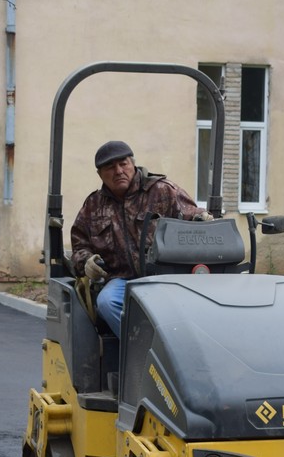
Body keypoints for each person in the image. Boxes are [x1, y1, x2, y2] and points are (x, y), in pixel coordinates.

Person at [70, 140, 203, 335]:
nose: (118, 171)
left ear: (133, 164)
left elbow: (194, 217)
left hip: (164, 278)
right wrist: (87, 261)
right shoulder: (93, 205)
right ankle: (140, 349)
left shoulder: (162, 191)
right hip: (121, 280)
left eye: (123, 164)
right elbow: (79, 245)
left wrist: (203, 219)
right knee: (106, 302)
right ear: (100, 174)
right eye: (110, 167)